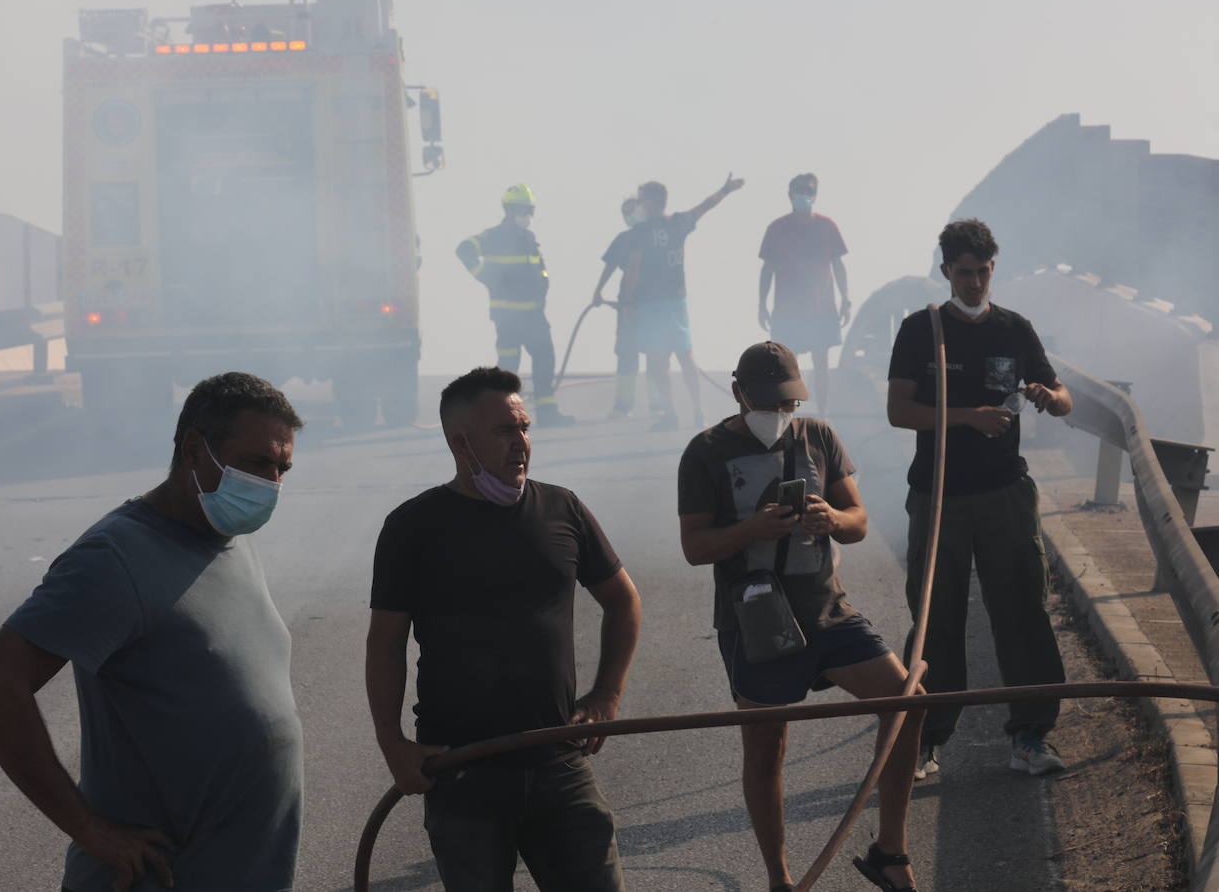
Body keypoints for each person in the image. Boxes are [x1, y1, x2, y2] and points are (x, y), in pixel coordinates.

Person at [0, 372, 305, 892]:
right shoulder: (115, 556)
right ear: (194, 448)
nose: (270, 485)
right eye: (257, 463)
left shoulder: (228, 538)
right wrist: (92, 832)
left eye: (281, 469)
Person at [366, 366, 641, 891]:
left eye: (525, 428)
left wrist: (607, 695)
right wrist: (392, 743)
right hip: (463, 770)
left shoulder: (562, 508)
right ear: (460, 444)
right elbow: (385, 644)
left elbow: (624, 602)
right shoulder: (412, 526)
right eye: (505, 431)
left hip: (560, 762)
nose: (521, 443)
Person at [678, 342, 922, 892]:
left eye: (787, 404)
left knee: (907, 701)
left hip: (828, 611)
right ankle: (779, 879)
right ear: (737, 393)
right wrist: (751, 530)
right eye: (767, 404)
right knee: (767, 749)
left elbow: (858, 521)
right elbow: (695, 546)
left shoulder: (819, 437)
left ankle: (891, 850)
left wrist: (831, 517)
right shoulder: (705, 452)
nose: (778, 415)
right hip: (755, 622)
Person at [887, 218, 1073, 780]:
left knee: (1022, 612)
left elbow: (1063, 399)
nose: (974, 283)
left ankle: (1030, 737)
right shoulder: (922, 330)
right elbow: (899, 412)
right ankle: (924, 740)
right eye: (963, 273)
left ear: (994, 268)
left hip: (1005, 494)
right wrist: (968, 417)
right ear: (945, 271)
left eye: (983, 272)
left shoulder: (1015, 329)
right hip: (939, 495)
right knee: (934, 620)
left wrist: (1047, 395)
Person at [626, 174, 745, 432]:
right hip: (676, 302)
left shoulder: (641, 231)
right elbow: (705, 206)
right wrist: (725, 189)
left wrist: (627, 301)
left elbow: (634, 267)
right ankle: (695, 412)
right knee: (682, 356)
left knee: (661, 361)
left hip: (652, 304)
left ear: (653, 202)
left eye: (643, 200)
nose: (639, 205)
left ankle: (674, 412)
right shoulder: (679, 223)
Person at [456, 184, 573, 426]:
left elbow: (537, 271)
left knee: (544, 358)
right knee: (509, 366)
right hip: (508, 316)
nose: (527, 216)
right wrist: (486, 277)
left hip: (532, 314)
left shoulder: (528, 238)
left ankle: (547, 412)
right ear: (508, 210)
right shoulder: (494, 236)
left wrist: (542, 291)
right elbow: (464, 249)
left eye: (530, 210)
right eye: (522, 210)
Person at [758, 173, 851, 415]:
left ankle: (823, 413)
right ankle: (789, 415)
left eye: (808, 191)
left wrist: (846, 299)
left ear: (815, 195)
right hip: (788, 309)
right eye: (799, 191)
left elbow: (838, 265)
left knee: (822, 363)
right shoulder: (776, 228)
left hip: (822, 307)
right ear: (790, 195)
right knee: (787, 365)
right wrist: (761, 304)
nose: (804, 195)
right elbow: (767, 268)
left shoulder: (826, 226)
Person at [592, 197, 663, 418]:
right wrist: (598, 291)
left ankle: (658, 405)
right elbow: (610, 265)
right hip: (627, 306)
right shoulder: (623, 239)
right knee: (626, 356)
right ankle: (623, 405)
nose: (630, 216)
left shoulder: (657, 237)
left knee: (655, 356)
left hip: (653, 304)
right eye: (626, 213)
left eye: (633, 210)